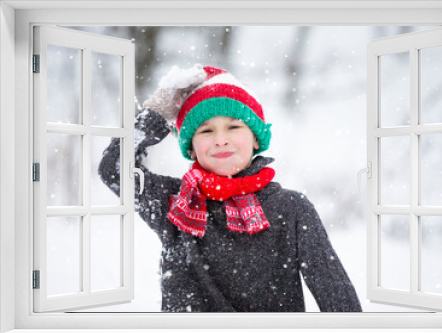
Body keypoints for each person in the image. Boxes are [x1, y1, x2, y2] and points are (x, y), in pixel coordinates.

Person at [99, 64, 362, 312]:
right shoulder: (177, 204)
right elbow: (113, 169)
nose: (221, 140)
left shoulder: (291, 209)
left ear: (256, 139)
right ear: (190, 147)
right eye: (206, 131)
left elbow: (337, 297)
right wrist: (153, 116)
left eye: (234, 126)